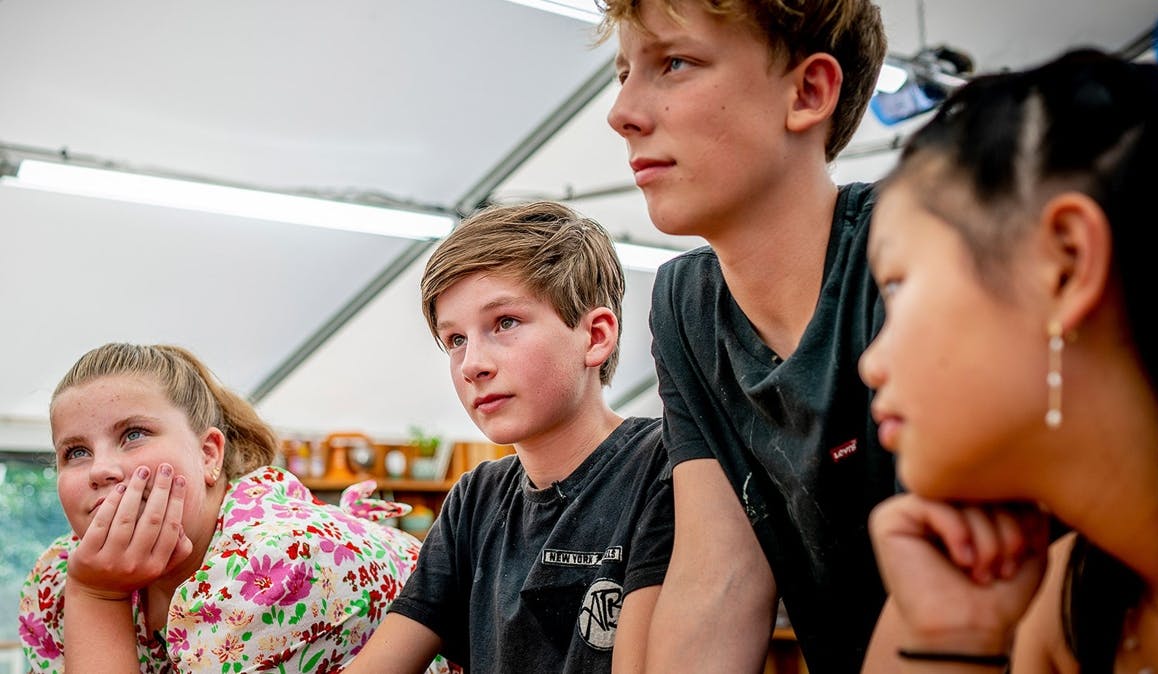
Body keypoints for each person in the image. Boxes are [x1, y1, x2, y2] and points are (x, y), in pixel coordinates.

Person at [858, 48, 1158, 672]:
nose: (870, 364)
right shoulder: (1071, 601)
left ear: (1065, 266)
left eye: (898, 287)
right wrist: (953, 640)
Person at [599, 1, 895, 671]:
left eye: (674, 63)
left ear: (809, 92)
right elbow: (717, 576)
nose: (622, 112)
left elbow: (956, 584)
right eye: (622, 73)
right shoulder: (686, 305)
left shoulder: (906, 252)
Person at [345, 201, 675, 673]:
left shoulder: (664, 466)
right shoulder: (475, 500)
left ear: (595, 336)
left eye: (505, 323)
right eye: (455, 339)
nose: (472, 364)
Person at [17, 342, 452, 674]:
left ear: (209, 455)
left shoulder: (275, 559)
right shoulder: (61, 574)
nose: (102, 469)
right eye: (75, 452)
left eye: (133, 434)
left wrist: (97, 596)